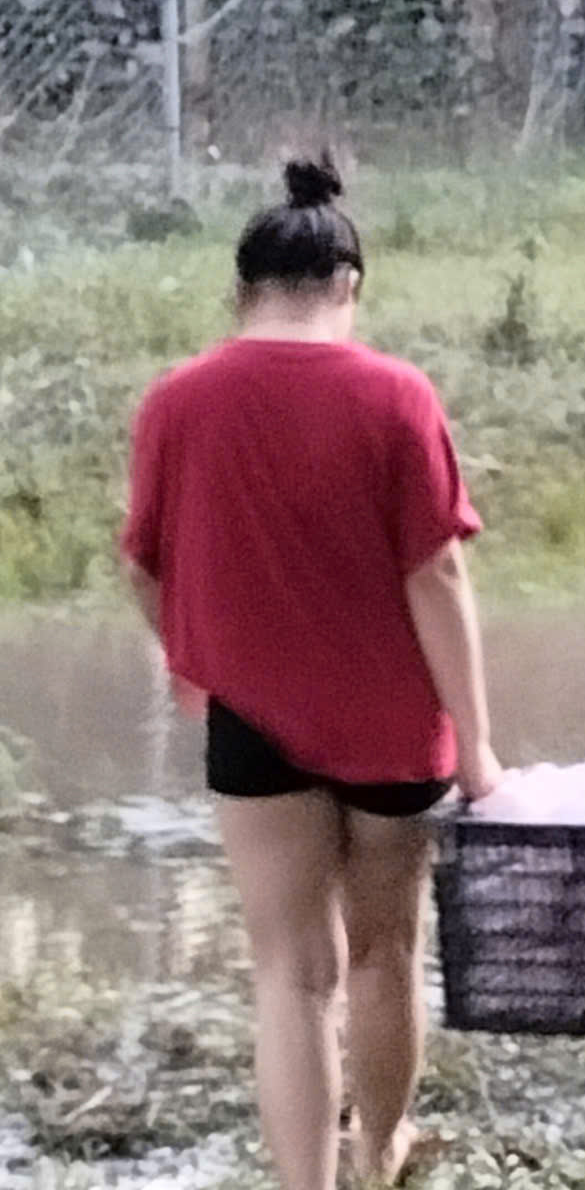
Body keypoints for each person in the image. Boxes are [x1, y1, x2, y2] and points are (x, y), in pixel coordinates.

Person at [119, 155, 501, 1190]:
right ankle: (380, 1151)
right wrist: (477, 744)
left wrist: (196, 667)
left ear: (242, 289)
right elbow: (436, 574)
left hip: (253, 721)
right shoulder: (395, 394)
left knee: (290, 976)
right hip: (395, 727)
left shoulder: (178, 401)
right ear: (349, 284)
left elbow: (145, 567)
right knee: (385, 954)